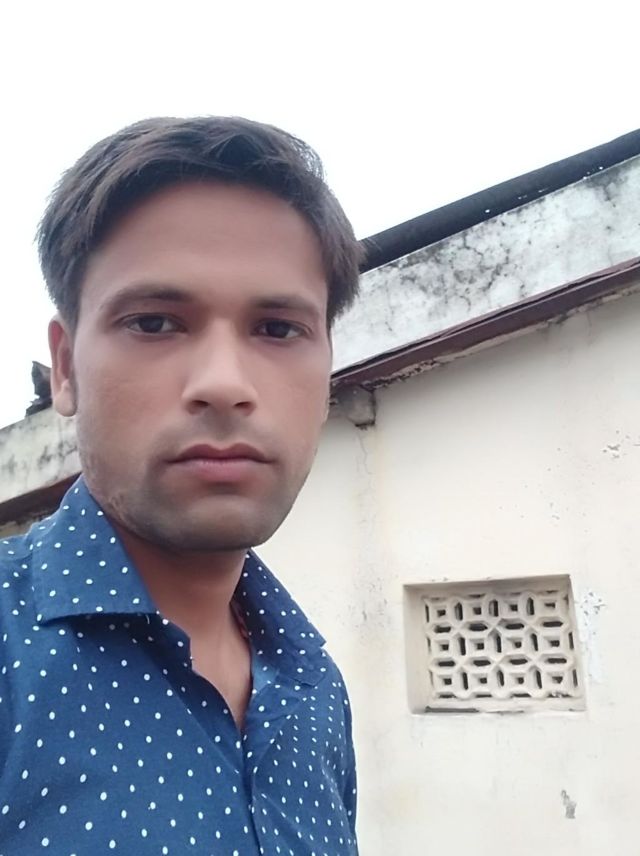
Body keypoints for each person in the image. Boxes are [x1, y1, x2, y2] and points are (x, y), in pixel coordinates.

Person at [0, 116, 362, 854]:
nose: (224, 384)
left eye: (277, 329)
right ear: (64, 368)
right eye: (156, 322)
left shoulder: (313, 686)